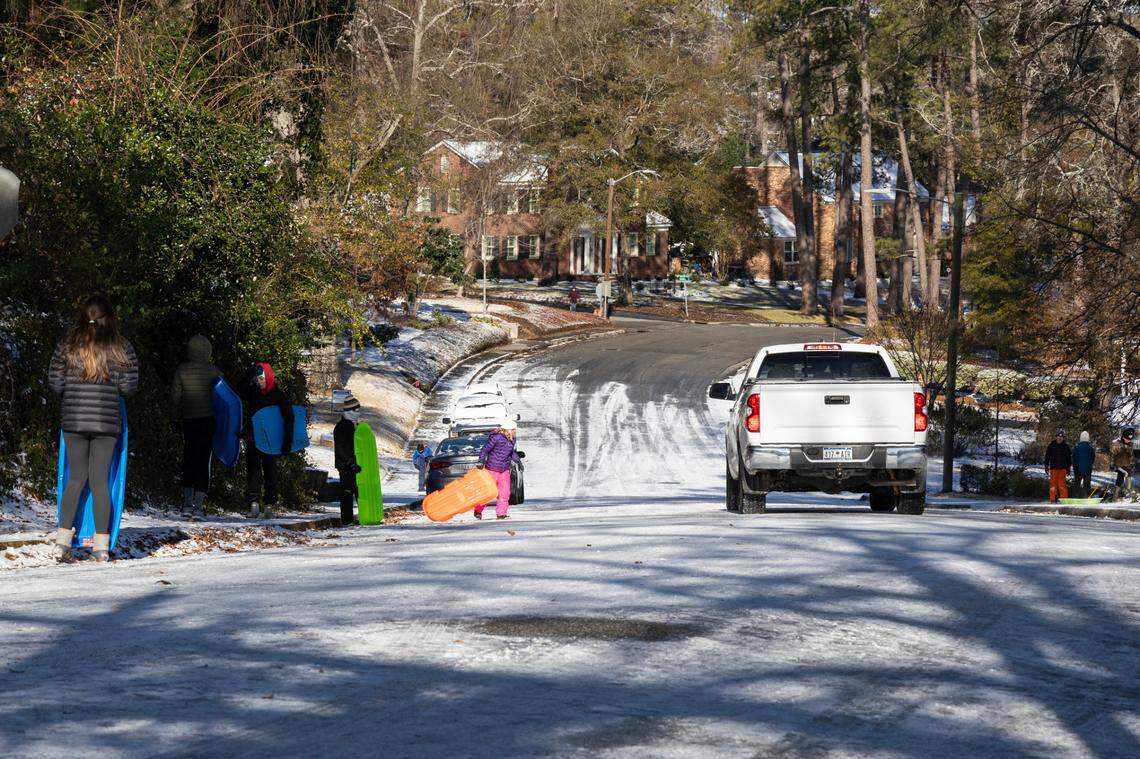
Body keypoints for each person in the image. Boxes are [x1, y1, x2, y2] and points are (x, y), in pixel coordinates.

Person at [48, 295, 139, 562]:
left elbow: (55, 384)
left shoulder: (67, 345)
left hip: (74, 421)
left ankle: (63, 543)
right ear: (109, 317)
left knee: (75, 479)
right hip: (106, 422)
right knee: (100, 482)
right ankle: (101, 547)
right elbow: (128, 388)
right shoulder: (122, 347)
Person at [171, 335, 221, 517]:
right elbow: (223, 395)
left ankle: (186, 503)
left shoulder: (182, 370)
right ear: (208, 351)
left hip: (188, 420)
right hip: (208, 420)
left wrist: (175, 415)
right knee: (203, 460)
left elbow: (175, 396)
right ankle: (198, 506)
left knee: (189, 458)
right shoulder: (214, 371)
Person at [239, 362, 293, 519]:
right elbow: (239, 391)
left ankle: (269, 505)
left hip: (271, 441)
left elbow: (289, 418)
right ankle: (253, 504)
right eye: (256, 379)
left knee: (270, 472)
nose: (259, 382)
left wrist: (286, 442)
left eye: (261, 378)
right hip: (253, 438)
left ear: (268, 377)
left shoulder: (278, 395)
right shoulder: (253, 391)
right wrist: (248, 374)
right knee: (253, 472)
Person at [476, 418, 520, 520]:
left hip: (504, 469)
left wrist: (518, 461)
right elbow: (485, 449)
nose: (515, 431)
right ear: (508, 429)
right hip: (492, 468)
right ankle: (478, 510)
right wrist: (481, 461)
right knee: (488, 492)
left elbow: (511, 452)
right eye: (513, 429)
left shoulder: (512, 439)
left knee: (505, 493)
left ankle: (501, 513)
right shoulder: (496, 438)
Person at [333, 394, 362, 525]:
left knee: (359, 492)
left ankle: (363, 515)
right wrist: (351, 462)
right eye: (356, 409)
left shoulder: (354, 425)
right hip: (346, 466)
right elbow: (341, 447)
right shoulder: (342, 427)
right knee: (347, 493)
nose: (358, 412)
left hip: (355, 465)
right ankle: (347, 520)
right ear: (349, 411)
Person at [1043, 429, 1072, 503]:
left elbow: (1068, 458)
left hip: (1063, 469)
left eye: (1061, 437)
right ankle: (1053, 499)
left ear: (1063, 438)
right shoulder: (1051, 445)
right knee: (1053, 485)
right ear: (1056, 437)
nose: (1060, 438)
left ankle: (1064, 500)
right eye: (1058, 436)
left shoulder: (1066, 446)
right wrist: (1046, 465)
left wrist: (1068, 468)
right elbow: (1047, 456)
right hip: (1053, 468)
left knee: (1062, 485)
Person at [1111, 429, 1134, 500]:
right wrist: (1112, 465)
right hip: (1119, 465)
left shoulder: (1130, 445)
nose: (1128, 440)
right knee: (1122, 477)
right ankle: (1116, 497)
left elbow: (1131, 456)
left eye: (1130, 439)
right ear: (1123, 437)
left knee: (1127, 476)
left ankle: (1127, 495)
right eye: (1127, 439)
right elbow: (1112, 455)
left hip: (1127, 465)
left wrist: (1132, 464)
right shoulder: (1117, 444)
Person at [1072, 431, 1095, 498]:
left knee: (1077, 484)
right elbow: (1092, 458)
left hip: (1078, 469)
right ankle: (1088, 496)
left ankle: (1076, 496)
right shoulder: (1090, 448)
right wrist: (1090, 465)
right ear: (1088, 438)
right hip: (1087, 469)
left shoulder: (1076, 448)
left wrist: (1075, 467)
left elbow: (1074, 458)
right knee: (1087, 484)